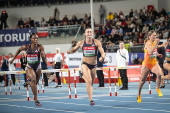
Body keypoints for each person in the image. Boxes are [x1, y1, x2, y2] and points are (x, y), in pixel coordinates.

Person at [66, 28, 106, 106]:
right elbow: (74, 49)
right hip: (85, 63)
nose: (89, 33)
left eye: (90, 32)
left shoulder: (97, 42)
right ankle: (91, 100)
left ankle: (85, 78)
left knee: (91, 83)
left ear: (92, 33)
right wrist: (70, 52)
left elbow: (103, 52)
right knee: (89, 80)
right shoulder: (81, 42)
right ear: (85, 34)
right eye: (88, 32)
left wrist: (102, 57)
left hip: (94, 65)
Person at [9, 33, 47, 106]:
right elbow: (19, 50)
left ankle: (28, 82)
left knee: (35, 83)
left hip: (38, 67)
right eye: (34, 38)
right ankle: (36, 100)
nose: (36, 40)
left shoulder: (40, 47)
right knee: (33, 79)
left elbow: (43, 56)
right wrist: (13, 59)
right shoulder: (26, 47)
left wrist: (44, 59)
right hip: (29, 67)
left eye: (37, 38)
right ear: (30, 39)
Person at [137, 30, 164, 103]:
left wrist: (158, 54)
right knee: (142, 81)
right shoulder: (147, 43)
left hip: (154, 62)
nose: (155, 36)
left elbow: (154, 51)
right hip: (147, 64)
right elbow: (150, 52)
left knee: (159, 74)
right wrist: (157, 43)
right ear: (149, 37)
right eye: (153, 35)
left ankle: (157, 88)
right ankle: (139, 95)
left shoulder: (155, 42)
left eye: (155, 35)